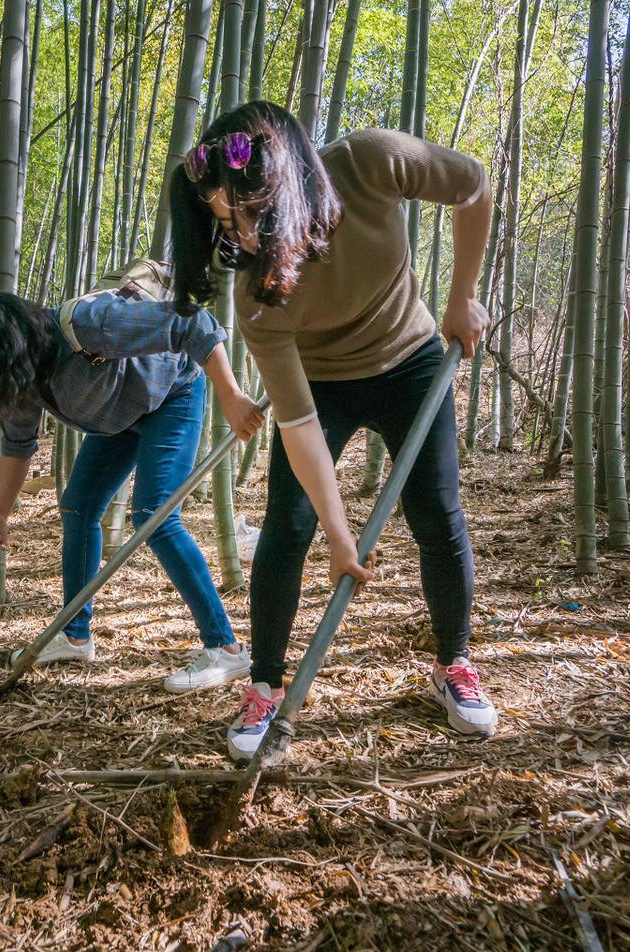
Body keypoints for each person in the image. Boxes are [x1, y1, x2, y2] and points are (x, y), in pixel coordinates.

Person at [168, 100, 498, 759]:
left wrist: (462, 294)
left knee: (436, 509)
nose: (245, 237)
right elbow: (299, 426)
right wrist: (341, 536)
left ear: (289, 181)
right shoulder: (257, 301)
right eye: (225, 221)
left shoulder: (370, 161)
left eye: (253, 212)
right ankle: (264, 685)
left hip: (411, 360)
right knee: (290, 525)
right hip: (321, 383)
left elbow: (475, 185)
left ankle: (453, 664)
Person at [0, 288, 265, 692]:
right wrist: (0, 512)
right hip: (119, 422)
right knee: (78, 508)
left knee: (154, 516)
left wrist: (231, 396)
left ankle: (226, 649)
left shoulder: (90, 324)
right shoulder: (22, 379)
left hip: (171, 396)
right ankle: (75, 636)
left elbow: (192, 322)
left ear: (9, 351)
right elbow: (18, 443)